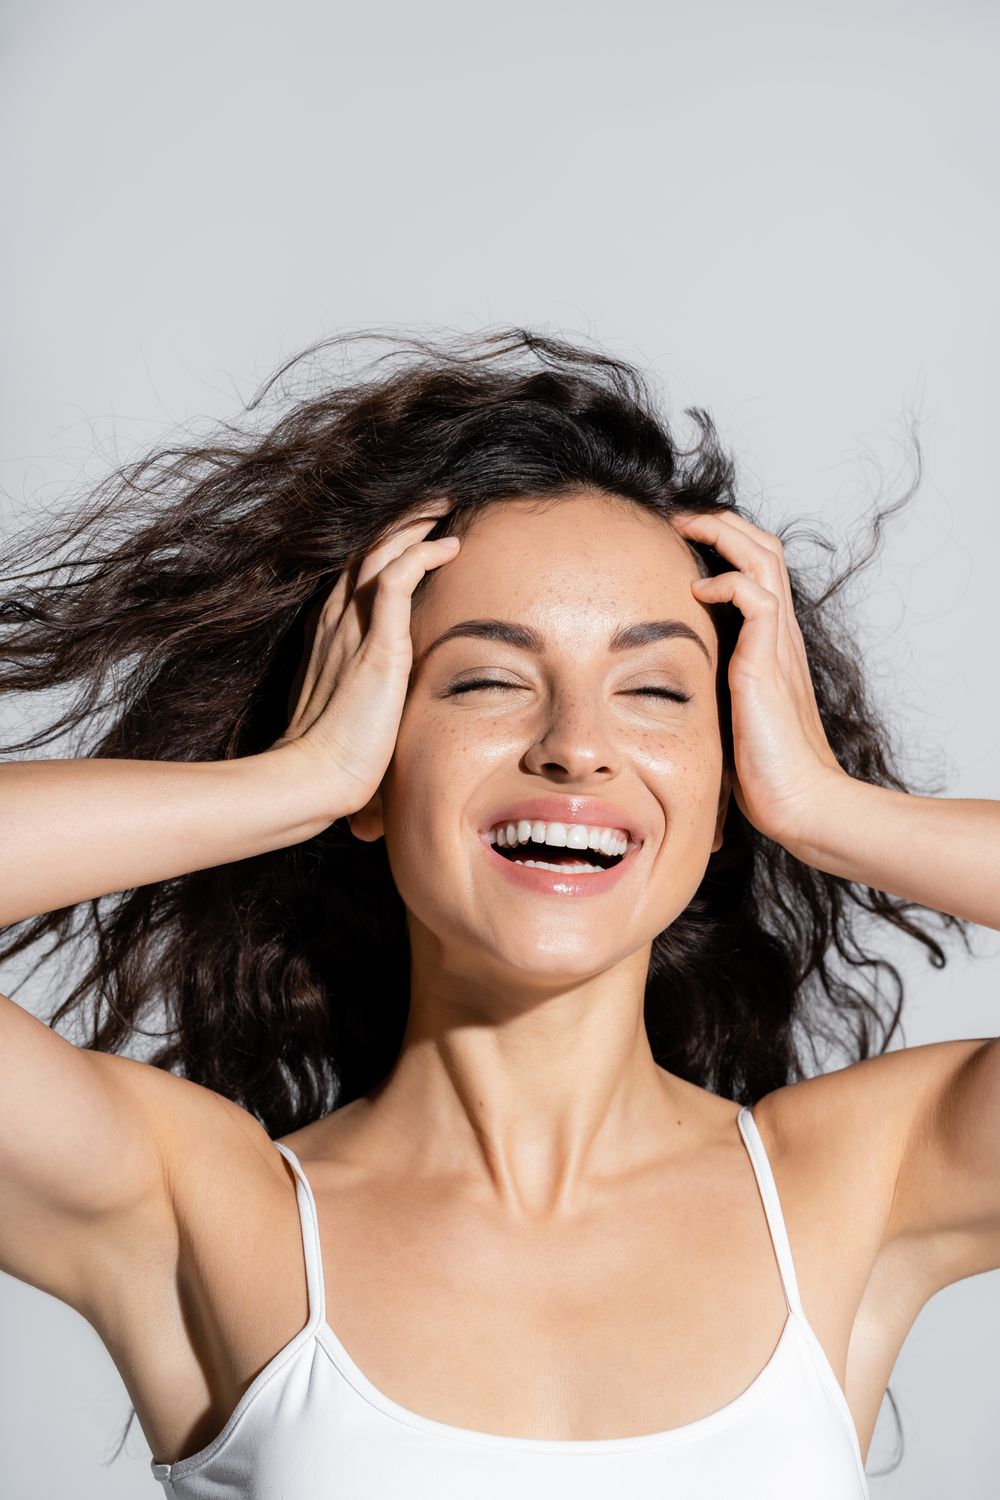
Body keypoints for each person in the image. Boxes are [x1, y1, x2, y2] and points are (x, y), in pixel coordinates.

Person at [0, 328, 996, 1499]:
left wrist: (822, 807)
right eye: (485, 678)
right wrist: (296, 783)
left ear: (727, 790)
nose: (575, 746)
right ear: (377, 756)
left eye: (655, 691)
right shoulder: (197, 1208)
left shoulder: (858, 1184)